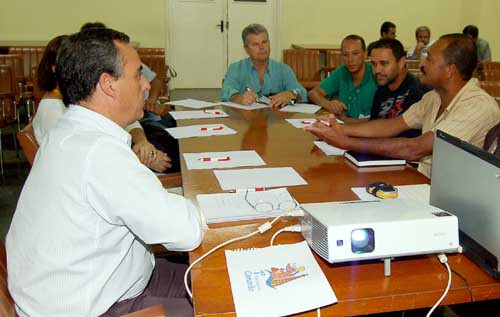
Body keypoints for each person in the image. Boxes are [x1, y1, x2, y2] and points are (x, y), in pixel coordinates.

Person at [6, 27, 204, 317]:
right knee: (229, 302)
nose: (147, 86)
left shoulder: (71, 132)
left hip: (110, 280)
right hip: (94, 305)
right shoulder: (98, 153)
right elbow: (186, 232)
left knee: (220, 279)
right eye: (137, 75)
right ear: (108, 84)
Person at [306, 34, 500, 178]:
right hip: (421, 181)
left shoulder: (477, 106)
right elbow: (392, 125)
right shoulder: (434, 97)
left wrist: (346, 142)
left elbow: (415, 148)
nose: (422, 63)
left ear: (450, 70)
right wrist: (340, 129)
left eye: (429, 59)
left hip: (453, 202)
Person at [31, 34, 171, 172]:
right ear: (56, 69)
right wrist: (142, 159)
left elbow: (125, 121)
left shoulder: (78, 101)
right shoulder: (53, 111)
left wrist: (142, 142)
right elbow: (83, 167)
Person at [80, 22, 180, 172]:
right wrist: (143, 157)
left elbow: (130, 124)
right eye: (137, 76)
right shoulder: (93, 141)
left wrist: (142, 144)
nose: (146, 84)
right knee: (174, 154)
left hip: (141, 121)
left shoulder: (105, 107)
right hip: (143, 123)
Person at [221, 23, 307, 107]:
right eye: (255, 44)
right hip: (246, 118)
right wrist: (238, 98)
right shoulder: (236, 68)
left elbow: (302, 92)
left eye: (264, 42)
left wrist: (292, 94)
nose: (262, 47)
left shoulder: (283, 69)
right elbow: (226, 91)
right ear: (246, 49)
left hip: (276, 118)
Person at [308, 34, 377, 120]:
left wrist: (345, 120)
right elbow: (313, 94)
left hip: (369, 130)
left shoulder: (376, 74)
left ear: (365, 54)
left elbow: (381, 120)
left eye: (355, 53)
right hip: (342, 127)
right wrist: (328, 104)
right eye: (345, 55)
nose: (350, 60)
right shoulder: (342, 71)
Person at [368, 38, 428, 137]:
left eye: (384, 63)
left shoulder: (418, 92)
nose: (377, 70)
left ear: (401, 63)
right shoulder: (382, 89)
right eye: (374, 64)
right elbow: (371, 127)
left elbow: (406, 141)